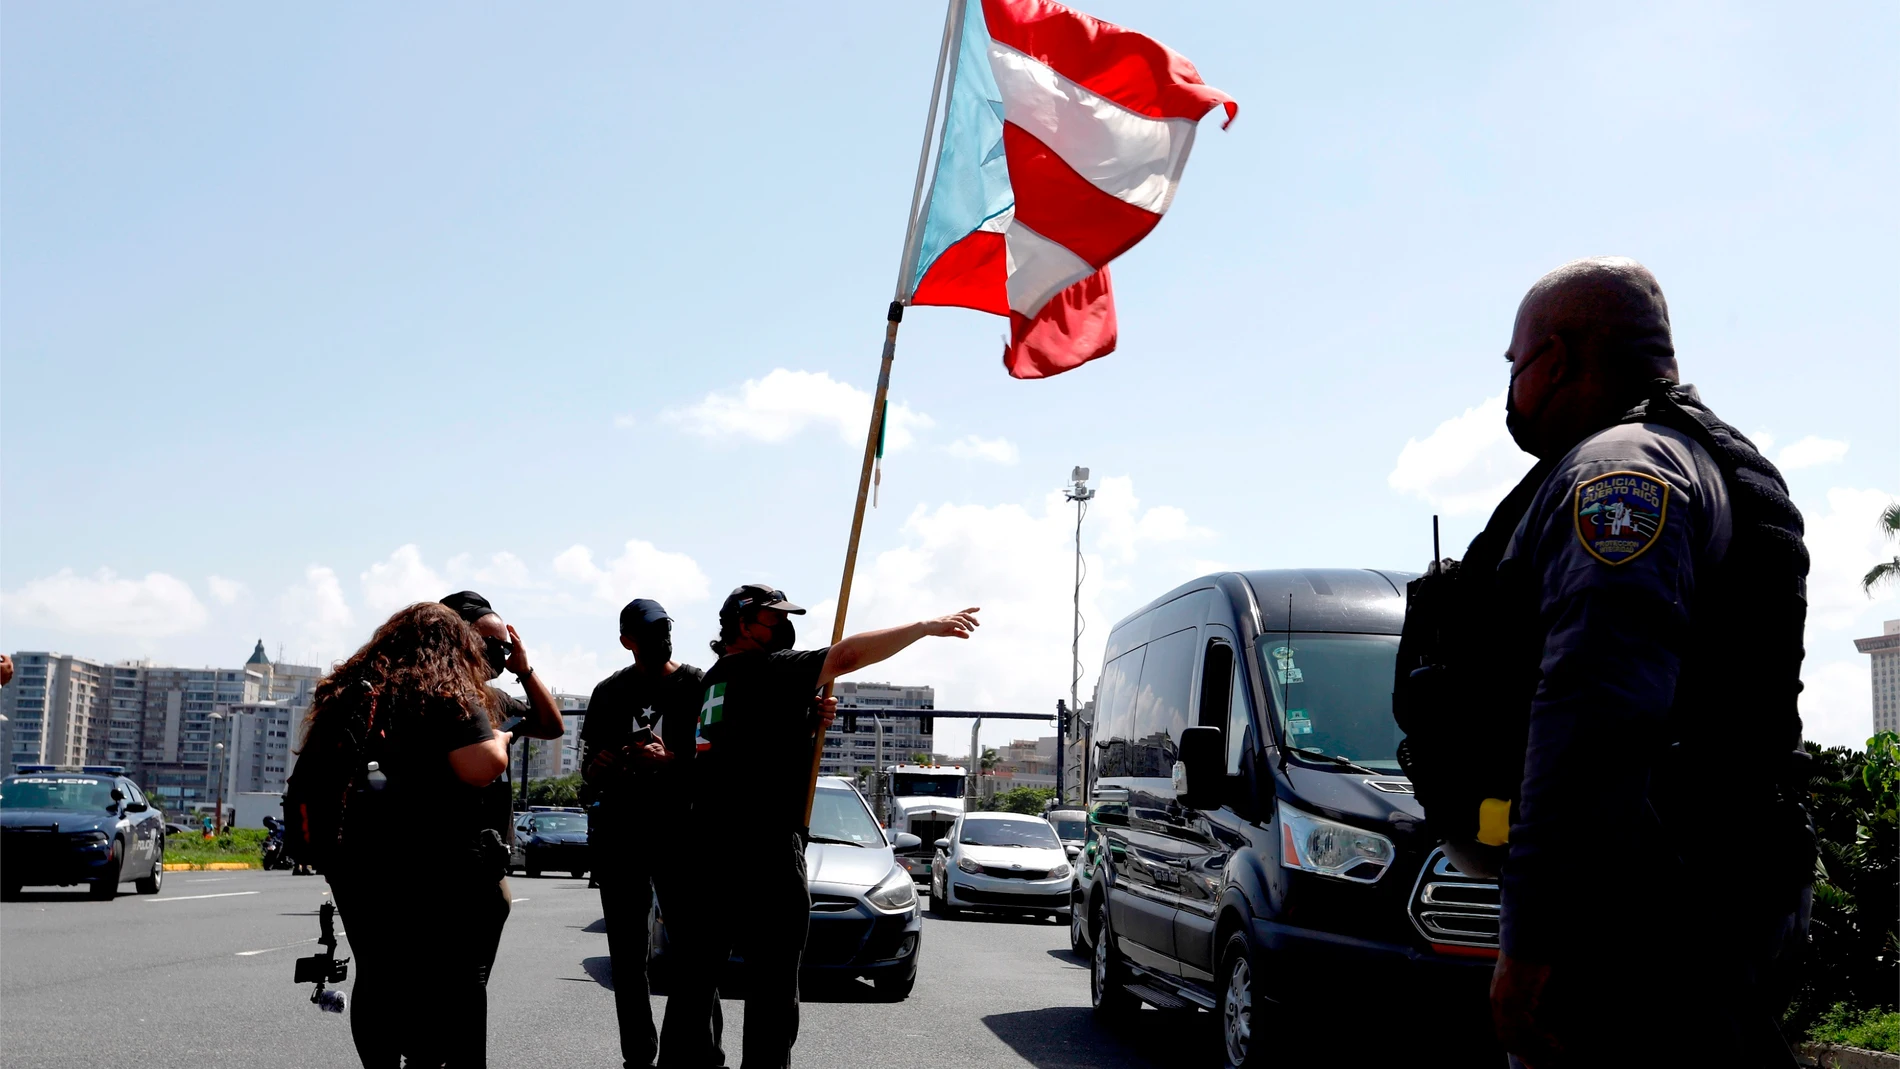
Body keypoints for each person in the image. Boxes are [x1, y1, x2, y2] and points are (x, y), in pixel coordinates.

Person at [1458, 258, 1811, 1067]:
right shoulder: (1710, 461)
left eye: (1515, 365)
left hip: (1638, 920)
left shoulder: (1623, 474)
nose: (1511, 388)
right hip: (1713, 898)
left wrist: (1537, 933)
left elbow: (1594, 706)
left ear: (1555, 358)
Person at [674, 584, 980, 1069]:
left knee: (698, 971)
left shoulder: (718, 679)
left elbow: (749, 743)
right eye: (773, 619)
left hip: (708, 840)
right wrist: (924, 628)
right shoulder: (765, 669)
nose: (784, 627)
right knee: (773, 978)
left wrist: (805, 721)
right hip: (763, 843)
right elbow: (848, 655)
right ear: (742, 622)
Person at [298, 601, 518, 1067]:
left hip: (352, 857)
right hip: (428, 859)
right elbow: (480, 767)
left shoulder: (351, 689)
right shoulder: (448, 690)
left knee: (377, 974)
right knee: (451, 977)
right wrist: (498, 740)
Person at [580, 598, 722, 1069]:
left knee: (695, 953)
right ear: (628, 641)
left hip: (683, 837)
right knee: (626, 955)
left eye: (666, 629)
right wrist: (598, 766)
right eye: (651, 632)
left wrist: (671, 762)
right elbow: (589, 767)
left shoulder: (701, 685)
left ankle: (703, 1051)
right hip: (622, 836)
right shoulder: (608, 693)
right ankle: (638, 1056)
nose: (662, 638)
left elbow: (720, 764)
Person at [440, 590, 565, 745]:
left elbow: (551, 728)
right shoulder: (427, 698)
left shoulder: (496, 701)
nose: (499, 652)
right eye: (491, 643)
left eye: (505, 646)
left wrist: (525, 672)